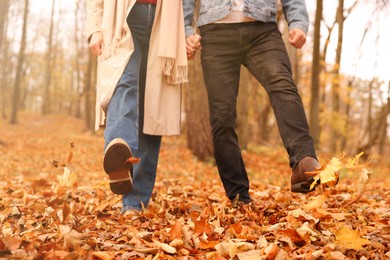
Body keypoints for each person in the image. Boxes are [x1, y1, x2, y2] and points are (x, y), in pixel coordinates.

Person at [183, 0, 321, 205]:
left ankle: (304, 162)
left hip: (262, 29)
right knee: (222, 116)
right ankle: (239, 196)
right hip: (215, 31)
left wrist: (298, 22)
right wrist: (186, 31)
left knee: (283, 85)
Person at [87, 0, 188, 212]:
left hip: (165, 23)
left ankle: (134, 203)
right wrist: (95, 28)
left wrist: (187, 31)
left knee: (153, 110)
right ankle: (120, 159)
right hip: (122, 20)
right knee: (124, 84)